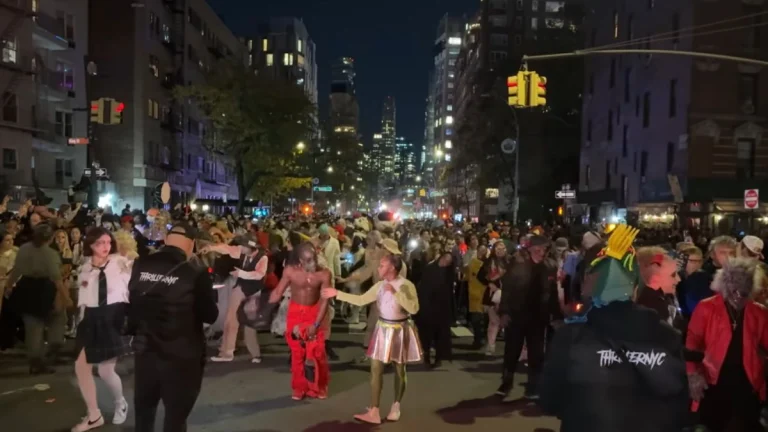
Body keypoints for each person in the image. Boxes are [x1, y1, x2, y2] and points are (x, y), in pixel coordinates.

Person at [538, 225, 689, 432]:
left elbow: (549, 400)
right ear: (635, 287)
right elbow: (679, 405)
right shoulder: (666, 335)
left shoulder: (571, 336)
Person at [127, 224, 218, 432]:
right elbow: (210, 315)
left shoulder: (141, 264)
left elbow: (133, 298)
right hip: (181, 356)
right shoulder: (196, 272)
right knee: (175, 418)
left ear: (167, 240)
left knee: (144, 414)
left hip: (146, 351)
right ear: (191, 244)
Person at [322, 254, 421, 424]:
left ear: (392, 268)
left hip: (399, 329)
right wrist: (337, 293)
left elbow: (414, 308)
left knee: (399, 369)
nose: (378, 268)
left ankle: (396, 405)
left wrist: (397, 293)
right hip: (382, 328)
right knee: (376, 369)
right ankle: (374, 410)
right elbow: (361, 300)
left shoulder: (406, 285)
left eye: (382, 265)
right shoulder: (380, 286)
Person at [687, 258, 768, 431]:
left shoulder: (758, 312)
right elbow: (692, 343)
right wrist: (693, 374)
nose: (739, 294)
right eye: (735, 286)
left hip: (747, 385)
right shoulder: (706, 307)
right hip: (713, 381)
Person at [71, 228, 133, 432]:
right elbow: (83, 296)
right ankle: (93, 414)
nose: (105, 247)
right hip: (89, 317)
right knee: (81, 366)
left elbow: (136, 277)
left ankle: (119, 402)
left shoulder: (120, 262)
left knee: (105, 371)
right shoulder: (85, 267)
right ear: (90, 245)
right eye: (100, 243)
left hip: (112, 316)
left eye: (108, 242)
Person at [495, 235, 562, 398]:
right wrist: (504, 312)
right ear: (530, 249)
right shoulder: (518, 265)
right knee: (511, 352)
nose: (541, 252)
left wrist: (557, 315)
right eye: (538, 249)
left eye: (544, 249)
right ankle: (506, 383)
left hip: (539, 317)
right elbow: (507, 291)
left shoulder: (550, 266)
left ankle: (533, 387)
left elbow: (553, 293)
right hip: (517, 315)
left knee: (537, 354)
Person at [5, 224, 71, 374]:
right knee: (58, 318)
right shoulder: (50, 254)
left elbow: (16, 270)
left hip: (25, 287)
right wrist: (66, 297)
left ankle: (36, 361)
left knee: (33, 327)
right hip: (44, 289)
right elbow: (57, 279)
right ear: (51, 238)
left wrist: (9, 286)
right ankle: (52, 350)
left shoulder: (24, 248)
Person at [269, 242, 331, 401]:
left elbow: (325, 301)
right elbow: (278, 292)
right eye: (308, 260)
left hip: (314, 312)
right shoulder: (290, 271)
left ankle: (320, 387)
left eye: (314, 259)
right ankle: (299, 387)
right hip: (295, 313)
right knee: (297, 353)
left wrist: (316, 324)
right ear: (300, 261)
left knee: (317, 353)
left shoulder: (324, 274)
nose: (313, 263)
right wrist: (265, 306)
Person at [205, 234, 268, 363]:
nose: (240, 248)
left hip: (254, 292)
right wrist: (211, 248)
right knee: (230, 320)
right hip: (240, 288)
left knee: (250, 324)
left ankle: (255, 354)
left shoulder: (263, 257)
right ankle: (226, 353)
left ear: (250, 247)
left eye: (243, 246)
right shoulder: (242, 252)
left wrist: (240, 273)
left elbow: (259, 275)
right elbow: (227, 249)